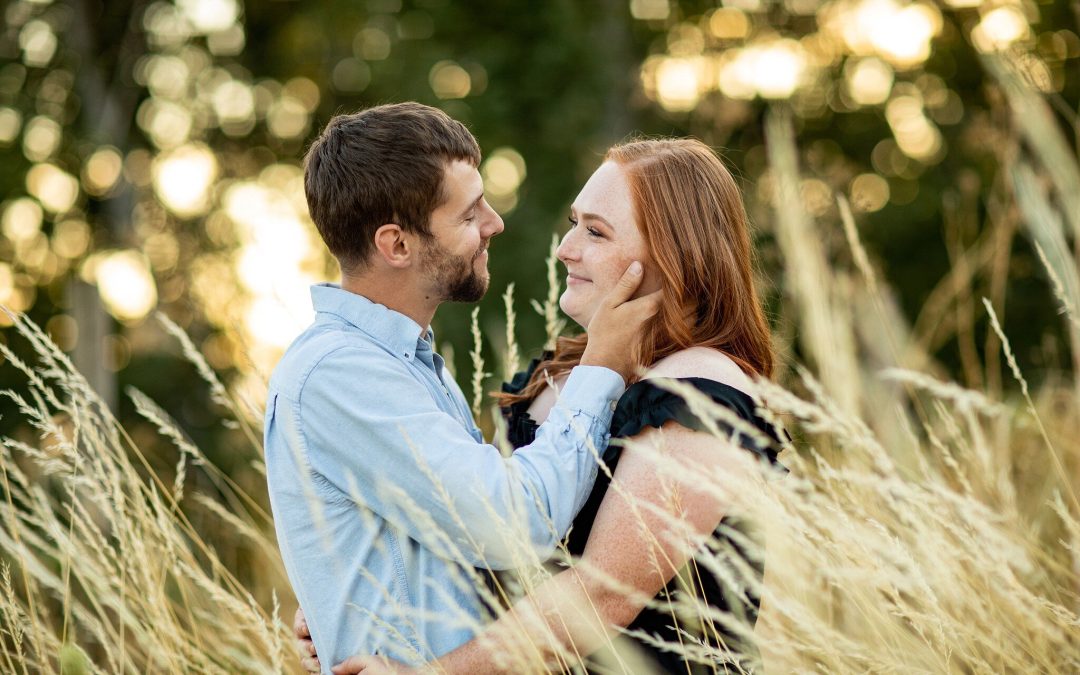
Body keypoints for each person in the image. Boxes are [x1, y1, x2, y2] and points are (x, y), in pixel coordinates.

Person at [301, 138, 786, 674]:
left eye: (595, 232)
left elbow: (605, 598)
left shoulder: (699, 392)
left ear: (676, 257)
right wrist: (366, 609)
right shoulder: (558, 375)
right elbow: (485, 538)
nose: (566, 248)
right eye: (574, 222)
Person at [265, 103, 661, 671]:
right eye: (470, 213)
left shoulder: (404, 361)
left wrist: (337, 602)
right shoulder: (340, 373)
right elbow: (515, 525)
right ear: (396, 245)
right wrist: (601, 368)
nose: (495, 223)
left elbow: (452, 544)